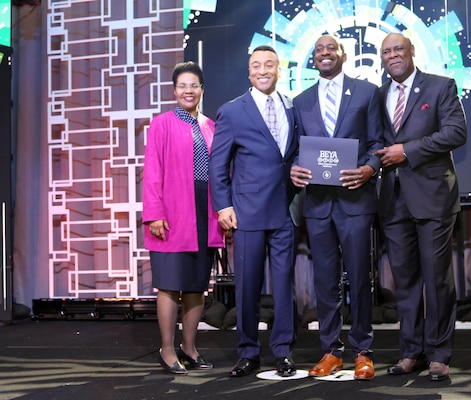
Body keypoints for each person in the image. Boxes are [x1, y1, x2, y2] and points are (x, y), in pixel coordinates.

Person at [374, 32, 467, 382]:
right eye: (386, 52)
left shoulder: (441, 86)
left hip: (433, 199)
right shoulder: (379, 95)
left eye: (398, 49)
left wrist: (408, 150)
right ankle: (411, 352)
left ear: (412, 52)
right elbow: (375, 144)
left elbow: (457, 132)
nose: (393, 55)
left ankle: (440, 354)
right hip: (392, 201)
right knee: (406, 282)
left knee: (436, 279)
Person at [290, 34, 383, 380]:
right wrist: (294, 167)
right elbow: (294, 150)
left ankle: (363, 350)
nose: (325, 53)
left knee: (359, 278)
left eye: (331, 48)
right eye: (318, 49)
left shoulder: (367, 92)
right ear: (312, 58)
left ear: (344, 54)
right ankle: (331, 350)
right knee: (325, 282)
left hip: (355, 200)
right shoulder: (299, 101)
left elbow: (378, 142)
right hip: (317, 205)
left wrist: (370, 168)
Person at [208, 45, 299, 378]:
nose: (263, 70)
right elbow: (218, 164)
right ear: (249, 72)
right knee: (247, 286)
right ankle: (248, 351)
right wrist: (222, 206)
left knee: (284, 286)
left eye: (269, 65)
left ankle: (284, 351)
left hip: (285, 210)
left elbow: (294, 154)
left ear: (279, 69)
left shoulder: (292, 107)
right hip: (245, 212)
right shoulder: (232, 111)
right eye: (256, 65)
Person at [143, 61, 224, 375]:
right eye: (182, 86)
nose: (188, 91)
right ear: (174, 90)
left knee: (195, 285)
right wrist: (154, 214)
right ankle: (166, 349)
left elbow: (221, 173)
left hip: (205, 212)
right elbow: (152, 172)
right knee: (169, 284)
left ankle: (189, 348)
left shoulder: (212, 126)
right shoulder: (162, 123)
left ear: (202, 89)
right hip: (172, 214)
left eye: (194, 85)